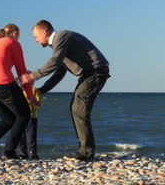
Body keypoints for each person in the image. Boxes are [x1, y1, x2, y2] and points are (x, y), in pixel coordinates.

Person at [21, 20, 110, 162]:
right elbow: (59, 73)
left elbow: (54, 62)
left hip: (96, 72)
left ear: (45, 32)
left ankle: (86, 152)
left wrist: (33, 76)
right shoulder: (59, 44)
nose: (36, 41)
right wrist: (42, 90)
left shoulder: (61, 37)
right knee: (75, 108)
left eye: (35, 37)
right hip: (90, 74)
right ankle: (84, 150)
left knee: (79, 109)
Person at [0, 23, 38, 160]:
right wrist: (30, 96)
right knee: (24, 115)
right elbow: (22, 72)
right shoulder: (12, 43)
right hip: (3, 84)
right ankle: (9, 152)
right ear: (15, 33)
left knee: (8, 119)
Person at [16, 87, 43, 160]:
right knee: (20, 137)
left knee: (31, 137)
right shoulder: (16, 90)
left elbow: (40, 104)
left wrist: (34, 101)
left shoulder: (34, 90)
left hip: (31, 116)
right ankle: (22, 154)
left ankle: (33, 154)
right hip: (19, 117)